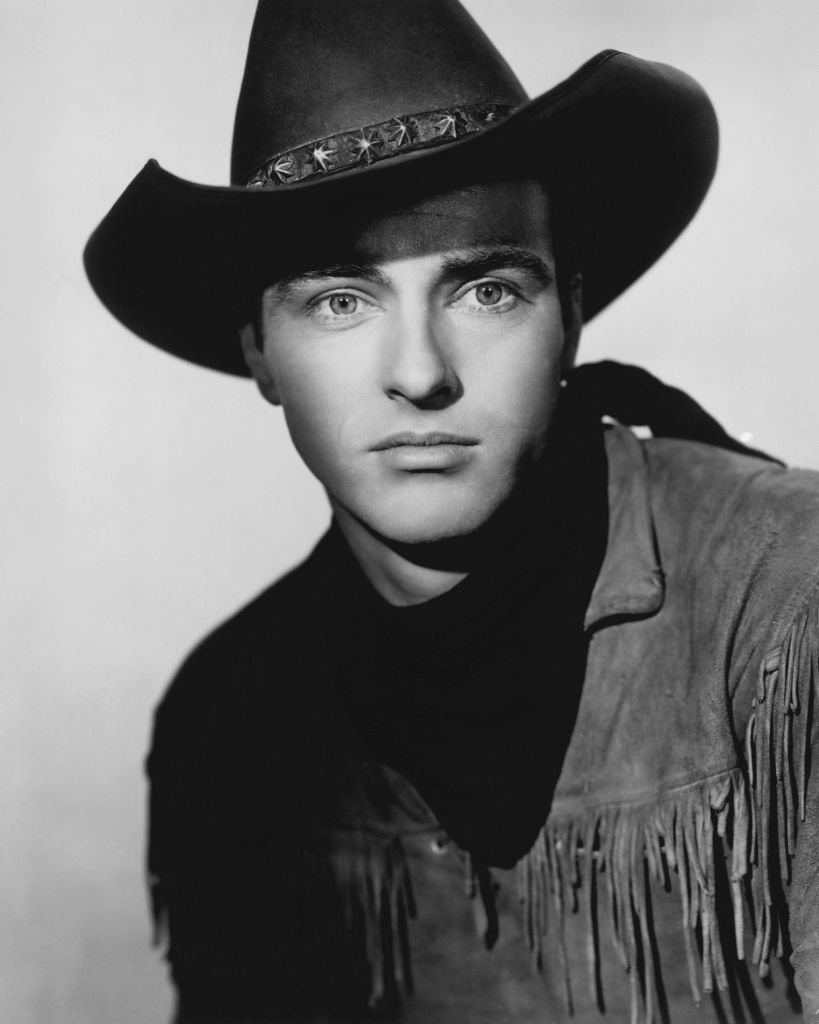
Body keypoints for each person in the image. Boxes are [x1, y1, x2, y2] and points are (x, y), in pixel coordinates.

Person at [84, 1, 819, 1021]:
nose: (421, 374)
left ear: (569, 313)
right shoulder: (235, 717)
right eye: (341, 299)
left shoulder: (790, 607)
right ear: (259, 351)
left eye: (486, 292)